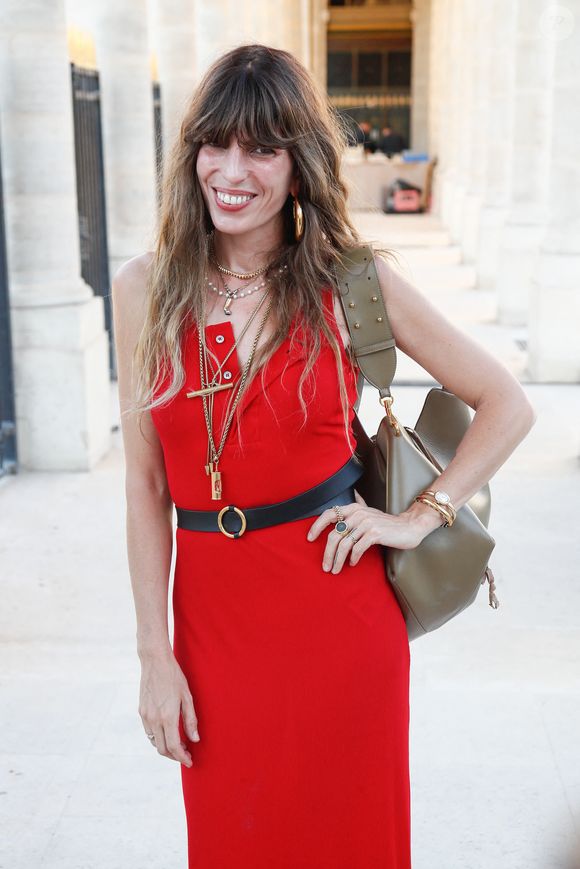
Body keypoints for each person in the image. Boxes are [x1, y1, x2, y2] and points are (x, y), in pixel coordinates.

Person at [111, 43, 536, 868]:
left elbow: (505, 403)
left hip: (339, 629)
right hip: (214, 635)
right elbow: (145, 485)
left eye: (263, 148)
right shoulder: (144, 289)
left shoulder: (351, 281)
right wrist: (153, 656)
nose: (233, 170)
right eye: (217, 142)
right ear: (192, 151)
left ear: (298, 167)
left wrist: (419, 516)